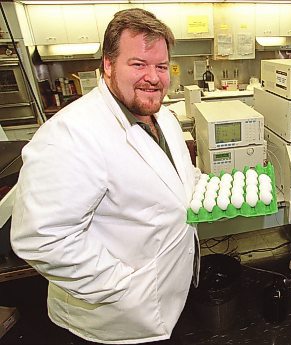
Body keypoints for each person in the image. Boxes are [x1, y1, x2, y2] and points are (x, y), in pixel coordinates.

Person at [10, 8, 200, 344]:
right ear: (108, 65)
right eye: (138, 64)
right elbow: (42, 239)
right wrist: (124, 288)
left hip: (169, 296)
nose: (153, 77)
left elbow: (177, 176)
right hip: (115, 319)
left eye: (160, 66)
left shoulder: (162, 116)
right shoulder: (70, 135)